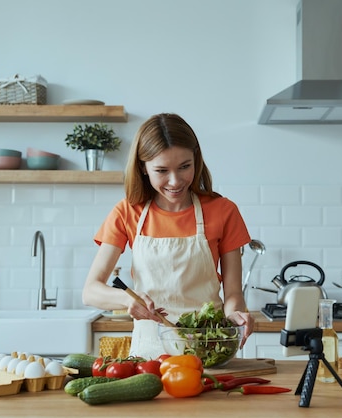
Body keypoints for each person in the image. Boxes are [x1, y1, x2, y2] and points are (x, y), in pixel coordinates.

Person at [82, 113, 253, 359]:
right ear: (143, 168)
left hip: (208, 349)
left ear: (196, 159)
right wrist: (126, 299)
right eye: (162, 170)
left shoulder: (224, 211)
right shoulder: (128, 212)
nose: (175, 181)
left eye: (185, 166)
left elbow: (233, 293)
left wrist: (235, 313)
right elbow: (91, 291)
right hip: (149, 354)